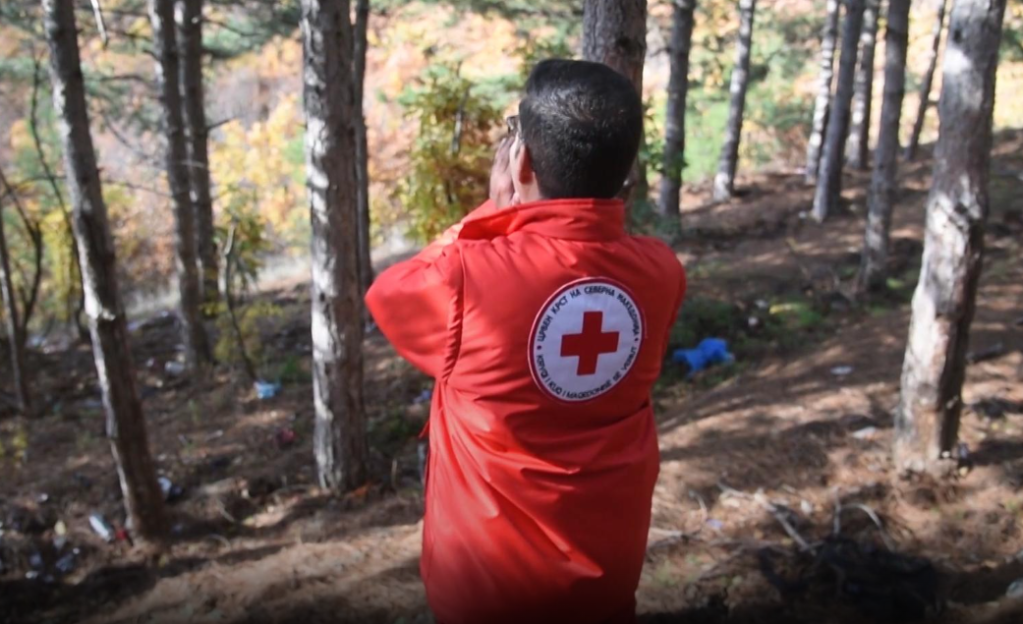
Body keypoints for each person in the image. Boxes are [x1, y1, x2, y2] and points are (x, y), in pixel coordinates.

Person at [366, 59, 687, 624]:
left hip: (487, 590)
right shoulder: (660, 274)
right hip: (606, 581)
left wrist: (495, 209)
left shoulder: (465, 277)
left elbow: (389, 295)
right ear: (628, 170)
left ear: (522, 160)